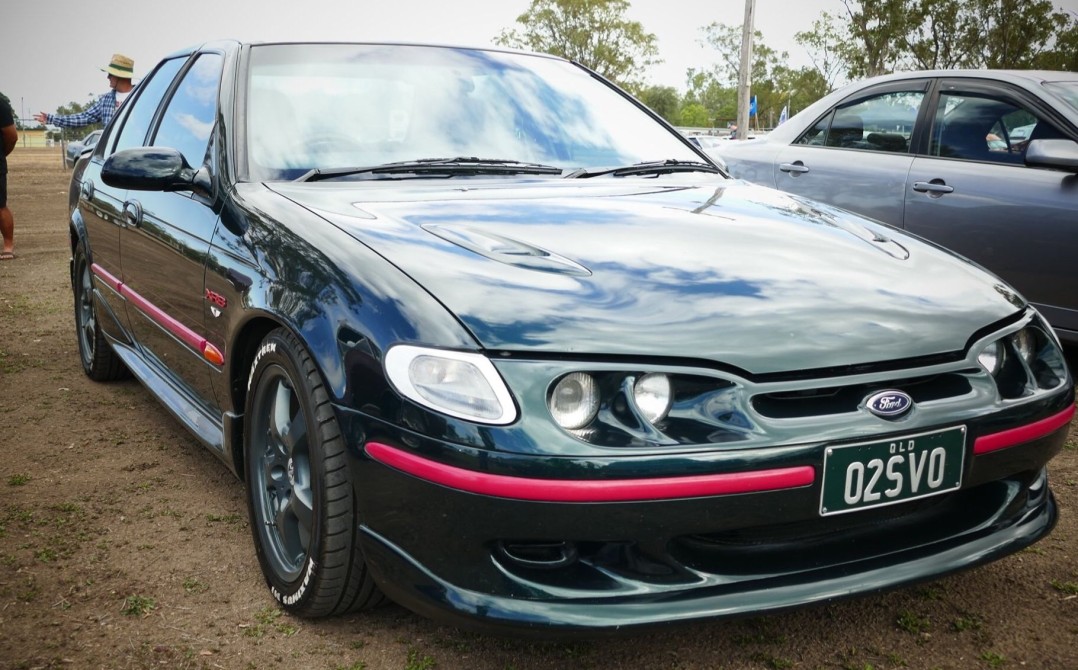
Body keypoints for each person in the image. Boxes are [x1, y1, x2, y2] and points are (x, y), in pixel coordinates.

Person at [34, 54, 135, 130]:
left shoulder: (142, 98)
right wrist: (51, 119)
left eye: (111, 74)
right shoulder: (105, 100)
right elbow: (84, 117)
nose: (108, 77)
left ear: (120, 76)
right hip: (112, 154)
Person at [1, 93, 17, 260]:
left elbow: (11, 136)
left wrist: (2, 154)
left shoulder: (1, 104)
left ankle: (8, 245)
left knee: (0, 206)